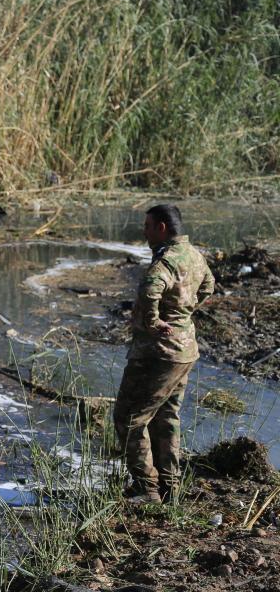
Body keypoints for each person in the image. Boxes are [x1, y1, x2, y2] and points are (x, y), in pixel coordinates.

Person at [114, 204, 215, 503]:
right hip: (185, 351)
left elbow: (150, 289)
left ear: (161, 228)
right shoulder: (194, 254)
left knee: (129, 418)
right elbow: (208, 286)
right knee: (166, 417)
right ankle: (170, 487)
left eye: (147, 226)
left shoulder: (166, 260)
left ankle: (146, 487)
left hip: (157, 353)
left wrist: (154, 321)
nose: (143, 232)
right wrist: (183, 313)